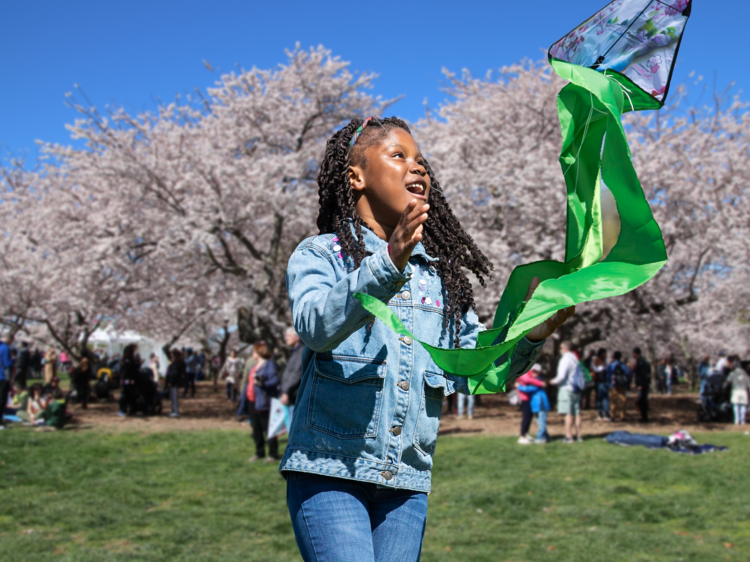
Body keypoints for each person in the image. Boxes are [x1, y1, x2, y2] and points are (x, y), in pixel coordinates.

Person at [280, 117, 574, 561]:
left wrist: (530, 335)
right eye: (398, 156)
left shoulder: (439, 277)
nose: (418, 169)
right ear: (355, 177)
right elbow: (316, 327)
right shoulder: (322, 254)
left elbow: (474, 368)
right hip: (329, 471)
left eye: (421, 161)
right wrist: (388, 262)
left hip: (407, 485)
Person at [247, 341, 280, 462]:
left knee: (268, 428)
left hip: (264, 401)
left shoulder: (269, 365)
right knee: (256, 428)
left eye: (254, 351)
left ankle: (273, 453)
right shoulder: (254, 366)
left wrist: (262, 384)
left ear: (260, 352)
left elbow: (275, 381)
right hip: (252, 400)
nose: (252, 353)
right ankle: (259, 452)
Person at [551, 341, 583, 443]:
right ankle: (579, 435)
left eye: (561, 348)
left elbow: (561, 376)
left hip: (567, 388)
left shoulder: (565, 359)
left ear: (565, 349)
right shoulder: (576, 359)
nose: (560, 350)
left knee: (568, 413)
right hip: (577, 388)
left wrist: (553, 381)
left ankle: (569, 436)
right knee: (577, 412)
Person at [517, 365, 551, 444]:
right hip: (531, 402)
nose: (534, 372)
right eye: (533, 370)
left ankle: (540, 436)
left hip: (538, 403)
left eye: (536, 371)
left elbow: (531, 387)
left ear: (540, 372)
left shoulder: (537, 379)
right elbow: (527, 380)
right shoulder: (527, 374)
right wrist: (519, 387)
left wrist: (519, 387)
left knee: (539, 420)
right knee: (532, 418)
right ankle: (524, 436)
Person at [280, 328, 304, 407]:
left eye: (289, 336)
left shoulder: (300, 352)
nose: (286, 338)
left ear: (297, 337)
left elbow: (296, 373)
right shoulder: (295, 351)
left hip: (294, 396)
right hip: (291, 395)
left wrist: (286, 392)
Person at [724, 356, 750, 425]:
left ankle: (737, 420)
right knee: (743, 407)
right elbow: (748, 385)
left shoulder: (732, 374)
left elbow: (727, 382)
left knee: (736, 407)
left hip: (735, 392)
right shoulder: (745, 375)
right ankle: (743, 420)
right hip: (743, 392)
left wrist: (724, 387)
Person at [118, 344, 140, 417]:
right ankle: (130, 410)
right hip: (129, 380)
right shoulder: (128, 361)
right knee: (130, 395)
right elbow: (132, 370)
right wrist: (138, 365)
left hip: (125, 380)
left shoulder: (123, 360)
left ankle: (124, 409)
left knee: (126, 395)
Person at [608, 351, 630, 422]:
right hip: (622, 385)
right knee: (622, 400)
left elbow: (608, 375)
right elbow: (627, 374)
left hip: (613, 385)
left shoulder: (611, 365)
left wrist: (609, 383)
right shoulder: (623, 365)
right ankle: (622, 415)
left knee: (613, 401)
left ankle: (613, 416)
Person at [632, 347, 652, 423]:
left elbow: (643, 374)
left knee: (643, 400)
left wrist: (641, 384)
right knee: (642, 400)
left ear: (636, 353)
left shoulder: (641, 361)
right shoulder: (642, 360)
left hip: (643, 384)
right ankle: (643, 416)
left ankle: (644, 417)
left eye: (633, 353)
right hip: (643, 383)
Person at [165, 349, 185, 418]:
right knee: (172, 397)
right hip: (173, 382)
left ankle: (176, 411)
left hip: (174, 383)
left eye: (172, 356)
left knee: (174, 397)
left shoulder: (176, 364)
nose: (171, 358)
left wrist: (170, 381)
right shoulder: (175, 363)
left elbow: (174, 374)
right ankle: (173, 410)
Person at [0, 337, 15, 429]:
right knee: (1, 399)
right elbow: (7, 363)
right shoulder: (5, 348)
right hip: (2, 376)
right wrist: (14, 360)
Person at [593, 348, 610, 421]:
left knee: (601, 398)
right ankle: (605, 414)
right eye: (604, 353)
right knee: (604, 398)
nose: (605, 355)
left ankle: (602, 414)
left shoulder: (601, 363)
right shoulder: (603, 362)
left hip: (601, 382)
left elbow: (595, 370)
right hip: (603, 382)